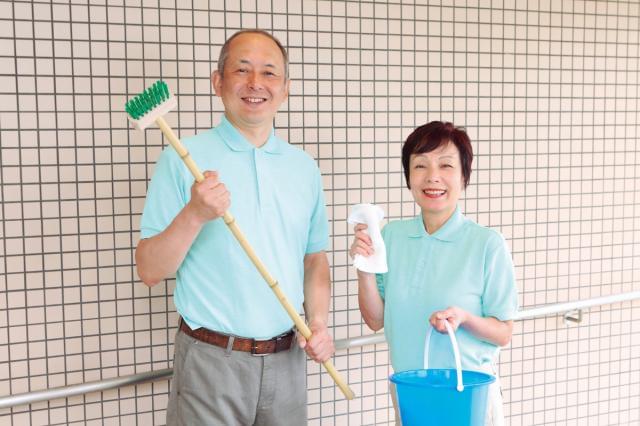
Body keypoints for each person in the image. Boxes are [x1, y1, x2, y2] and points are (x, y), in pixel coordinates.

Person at [135, 29, 334, 425]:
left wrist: (318, 323)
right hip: (210, 363)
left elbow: (314, 259)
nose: (256, 83)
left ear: (286, 88)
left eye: (269, 72)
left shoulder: (304, 167)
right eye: (242, 70)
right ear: (218, 82)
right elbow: (149, 269)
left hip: (287, 361)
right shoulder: (181, 159)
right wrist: (194, 213)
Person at [350, 121, 518, 426]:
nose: (432, 177)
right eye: (420, 165)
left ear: (464, 176)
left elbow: (503, 332)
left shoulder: (486, 244)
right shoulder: (392, 237)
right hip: (411, 392)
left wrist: (465, 318)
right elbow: (376, 320)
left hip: (468, 396)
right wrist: (365, 268)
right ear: (409, 177)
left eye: (446, 165)